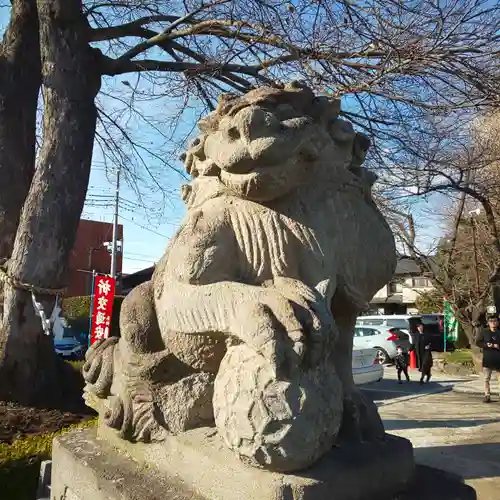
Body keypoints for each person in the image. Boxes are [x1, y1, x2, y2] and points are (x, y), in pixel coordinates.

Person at [475, 314, 500, 403]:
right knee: (486, 379)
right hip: (488, 358)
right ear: (488, 323)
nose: (493, 323)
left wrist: (498, 346)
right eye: (491, 321)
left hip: (498, 358)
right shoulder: (484, 332)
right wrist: (486, 345)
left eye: (495, 321)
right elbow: (478, 342)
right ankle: (487, 395)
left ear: (497, 322)